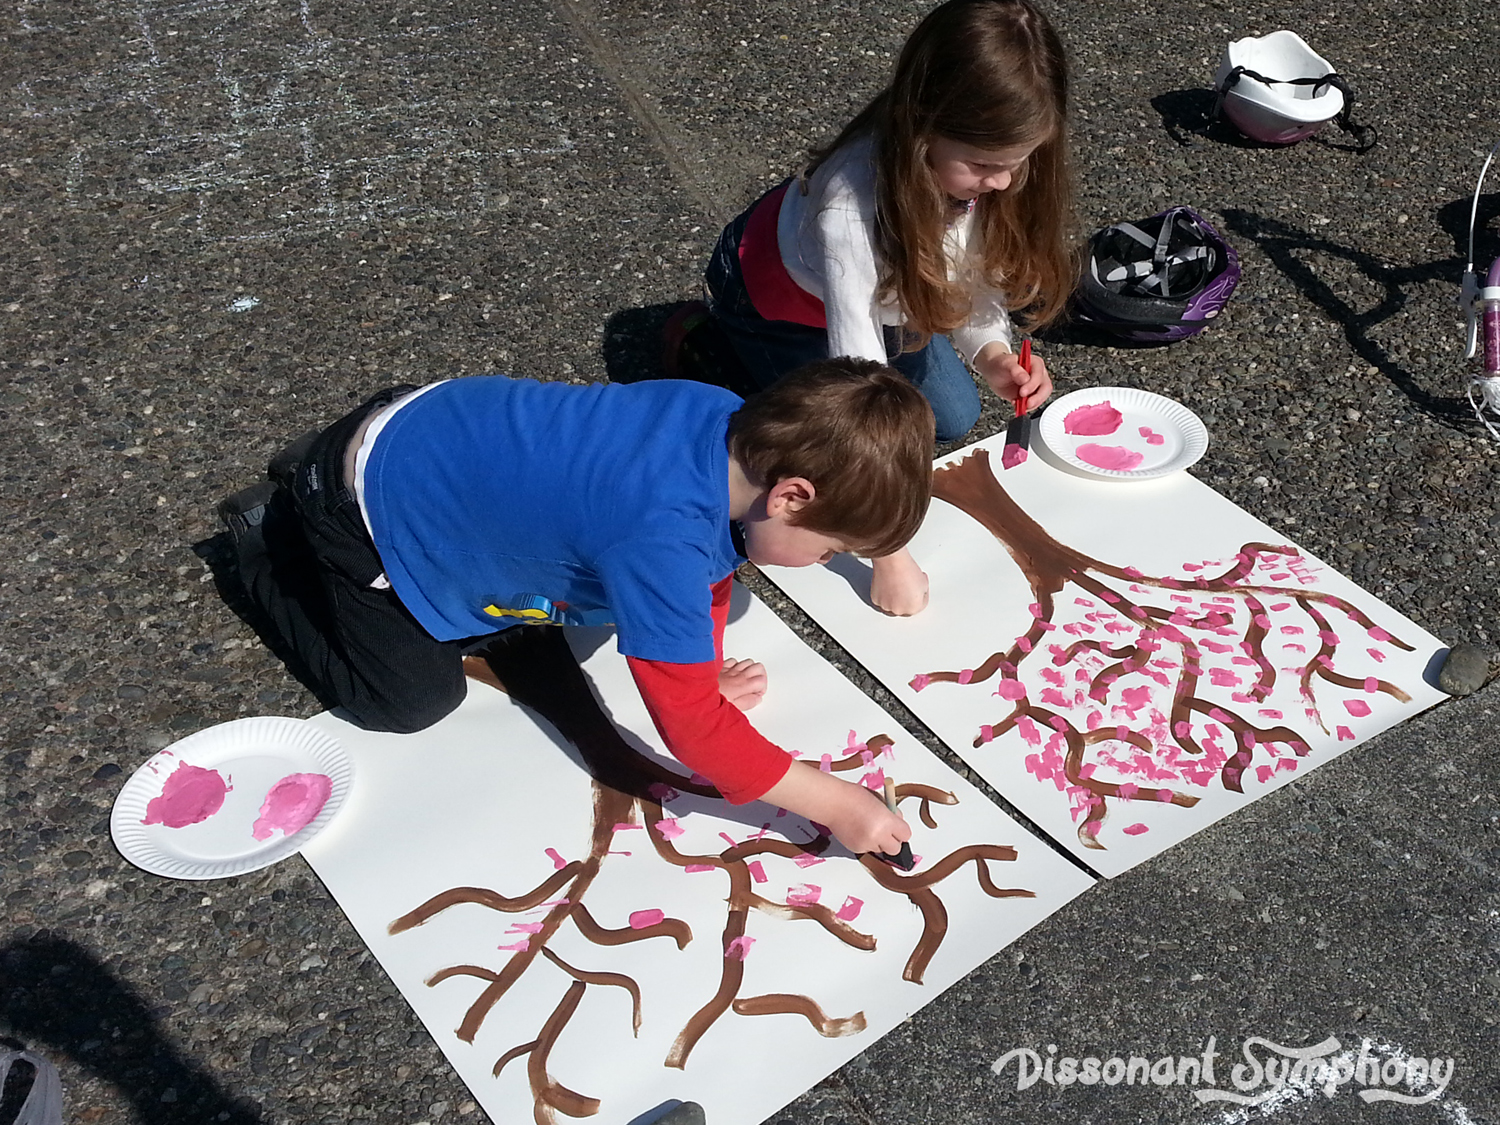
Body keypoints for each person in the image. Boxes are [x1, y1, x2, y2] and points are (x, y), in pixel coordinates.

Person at [217, 359, 932, 857]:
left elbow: (714, 563)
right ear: (791, 497)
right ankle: (265, 537)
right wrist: (839, 805)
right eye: (832, 548)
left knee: (524, 617)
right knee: (411, 700)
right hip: (362, 510)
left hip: (431, 420)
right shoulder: (660, 539)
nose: (825, 561)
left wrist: (703, 669)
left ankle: (328, 458)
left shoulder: (726, 421)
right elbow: (692, 730)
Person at [702, 0, 1074, 616]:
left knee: (950, 418)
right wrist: (888, 551)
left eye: (1018, 163)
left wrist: (993, 354)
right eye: (986, 165)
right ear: (922, 128)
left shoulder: (983, 172)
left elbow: (969, 274)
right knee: (822, 441)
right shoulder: (850, 208)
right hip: (777, 303)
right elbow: (857, 389)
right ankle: (711, 345)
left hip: (888, 296)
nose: (1005, 183)